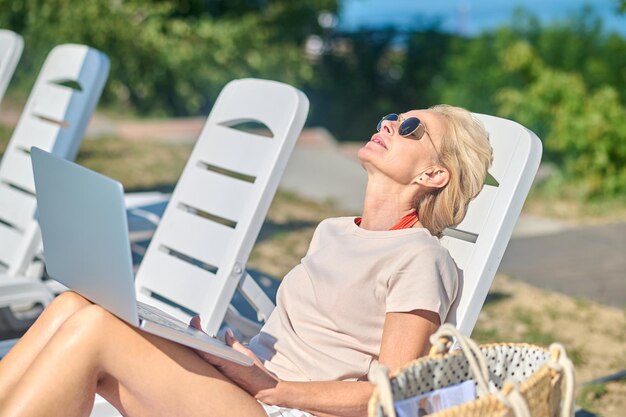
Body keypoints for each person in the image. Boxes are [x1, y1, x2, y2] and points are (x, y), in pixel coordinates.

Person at [0, 104, 492, 417]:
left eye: (410, 128)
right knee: (74, 306)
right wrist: (214, 348)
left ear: (434, 174)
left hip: (287, 410)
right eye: (389, 117)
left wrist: (276, 388)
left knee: (96, 333)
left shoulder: (421, 259)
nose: (387, 124)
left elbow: (395, 395)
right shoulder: (334, 231)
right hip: (247, 387)